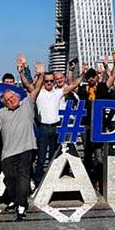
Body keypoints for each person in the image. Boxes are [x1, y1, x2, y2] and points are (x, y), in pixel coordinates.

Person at [28, 57, 82, 186]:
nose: (49, 83)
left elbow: (74, 85)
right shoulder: (39, 93)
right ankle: (38, 182)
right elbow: (28, 85)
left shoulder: (58, 93)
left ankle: (51, 182)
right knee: (41, 159)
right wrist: (34, 73)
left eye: (51, 81)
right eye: (46, 81)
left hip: (56, 128)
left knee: (54, 157)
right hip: (43, 128)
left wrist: (83, 73)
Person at [0, 87, 38, 221]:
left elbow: (35, 90)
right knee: (10, 178)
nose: (11, 100)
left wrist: (40, 75)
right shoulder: (1, 112)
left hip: (26, 148)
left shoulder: (27, 105)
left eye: (13, 97)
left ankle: (22, 205)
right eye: (8, 100)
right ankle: (15, 199)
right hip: (8, 152)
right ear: (4, 103)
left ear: (18, 96)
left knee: (23, 176)